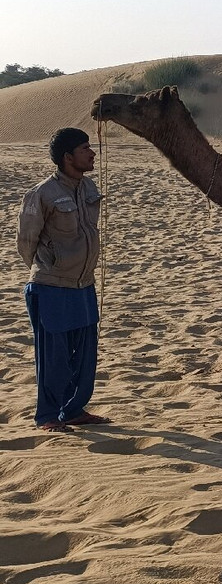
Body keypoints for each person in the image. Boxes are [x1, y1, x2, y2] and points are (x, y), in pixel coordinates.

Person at [17, 128, 110, 433]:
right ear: (68, 157)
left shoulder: (88, 188)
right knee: (54, 357)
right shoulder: (41, 193)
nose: (92, 153)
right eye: (85, 149)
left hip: (83, 285)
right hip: (51, 287)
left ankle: (73, 411)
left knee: (84, 357)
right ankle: (46, 416)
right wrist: (50, 269)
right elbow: (26, 242)